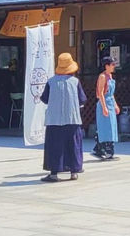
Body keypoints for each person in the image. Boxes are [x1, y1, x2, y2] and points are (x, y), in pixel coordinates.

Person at [40, 52, 87, 182]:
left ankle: (54, 173)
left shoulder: (51, 82)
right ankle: (74, 172)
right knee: (73, 145)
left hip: (54, 120)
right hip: (72, 119)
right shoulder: (75, 82)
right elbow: (82, 99)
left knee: (54, 146)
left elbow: (44, 98)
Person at [92, 56, 120, 160]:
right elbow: (100, 93)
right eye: (112, 64)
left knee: (111, 127)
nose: (114, 66)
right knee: (105, 127)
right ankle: (105, 150)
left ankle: (100, 149)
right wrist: (104, 107)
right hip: (104, 103)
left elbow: (111, 94)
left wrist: (115, 105)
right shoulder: (102, 76)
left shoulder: (110, 76)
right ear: (106, 66)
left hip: (110, 103)